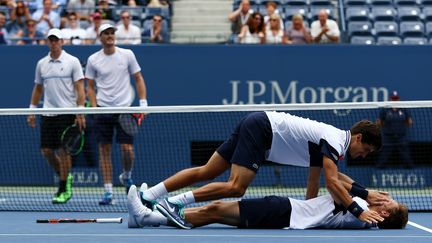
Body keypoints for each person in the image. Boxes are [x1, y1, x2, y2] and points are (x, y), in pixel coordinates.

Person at [139, 111, 388, 229]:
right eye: (366, 149)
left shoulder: (331, 146)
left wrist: (309, 211)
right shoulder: (334, 140)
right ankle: (173, 203)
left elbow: (319, 180)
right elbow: (333, 183)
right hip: (264, 130)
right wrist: (358, 210)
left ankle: (148, 196)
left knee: (207, 171)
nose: (363, 155)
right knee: (236, 187)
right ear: (358, 138)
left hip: (259, 123)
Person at [127, 181, 408, 229]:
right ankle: (148, 217)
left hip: (283, 211)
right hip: (284, 213)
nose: (387, 197)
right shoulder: (362, 211)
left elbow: (338, 185)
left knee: (215, 210)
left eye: (390, 202)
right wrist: (366, 195)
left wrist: (366, 194)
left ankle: (148, 216)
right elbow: (341, 181)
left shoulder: (361, 212)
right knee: (215, 211)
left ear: (384, 213)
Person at [85, 23, 148, 205]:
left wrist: (143, 103)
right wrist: (95, 107)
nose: (110, 35)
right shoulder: (93, 59)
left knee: (127, 150)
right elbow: (89, 86)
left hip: (124, 109)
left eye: (112, 32)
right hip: (103, 110)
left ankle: (126, 176)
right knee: (104, 151)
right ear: (100, 37)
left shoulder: (127, 55)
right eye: (106, 33)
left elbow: (138, 78)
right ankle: (108, 192)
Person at [27, 28, 86, 204]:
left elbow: (79, 88)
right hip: (47, 112)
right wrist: (32, 110)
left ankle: (63, 187)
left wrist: (80, 111)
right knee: (46, 151)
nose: (53, 42)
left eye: (56, 40)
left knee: (64, 151)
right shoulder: (41, 63)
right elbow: (38, 88)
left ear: (62, 42)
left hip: (67, 112)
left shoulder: (72, 61)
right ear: (48, 42)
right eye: (50, 40)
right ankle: (65, 176)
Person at [376, 91, 414, 169]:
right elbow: (379, 121)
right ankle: (379, 171)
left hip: (401, 137)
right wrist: (386, 127)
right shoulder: (385, 109)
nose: (395, 100)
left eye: (396, 98)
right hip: (388, 137)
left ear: (399, 99)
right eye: (393, 98)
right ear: (390, 99)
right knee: (384, 155)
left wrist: (401, 126)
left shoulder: (403, 109)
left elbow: (409, 121)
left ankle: (410, 170)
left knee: (406, 156)